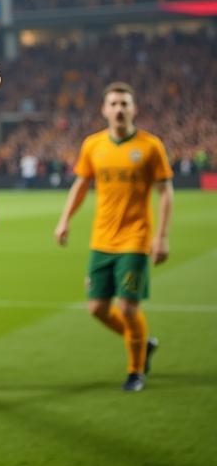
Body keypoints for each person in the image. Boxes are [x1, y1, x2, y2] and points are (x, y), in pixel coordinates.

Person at [54, 82, 174, 392]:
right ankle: (143, 343)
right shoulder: (93, 145)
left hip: (135, 239)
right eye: (114, 104)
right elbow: (81, 185)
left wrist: (161, 237)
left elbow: (166, 193)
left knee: (130, 308)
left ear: (134, 109)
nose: (119, 109)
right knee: (97, 308)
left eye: (125, 104)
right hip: (101, 240)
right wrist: (65, 220)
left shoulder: (150, 146)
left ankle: (136, 370)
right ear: (104, 110)